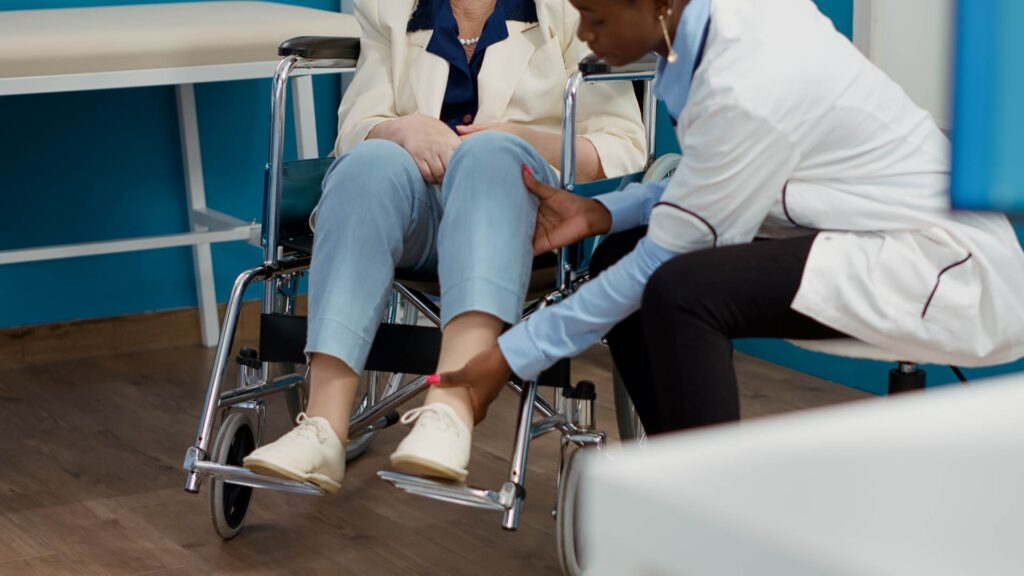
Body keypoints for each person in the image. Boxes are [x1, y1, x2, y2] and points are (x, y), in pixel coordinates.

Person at [435, 0, 1024, 434]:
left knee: (681, 290)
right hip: (856, 227)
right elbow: (712, 179)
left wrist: (512, 354)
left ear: (659, 5)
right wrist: (601, 214)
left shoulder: (749, 74)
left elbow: (669, 253)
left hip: (937, 259)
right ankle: (682, 478)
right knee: (623, 255)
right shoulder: (705, 31)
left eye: (597, 19)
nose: (585, 37)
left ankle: (714, 513)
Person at [242, 0, 646, 491]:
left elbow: (622, 143)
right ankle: (323, 426)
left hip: (523, 215)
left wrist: (519, 137)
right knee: (367, 163)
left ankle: (451, 409)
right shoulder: (389, 9)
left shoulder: (569, 9)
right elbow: (355, 125)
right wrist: (399, 128)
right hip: (418, 215)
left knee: (491, 155)